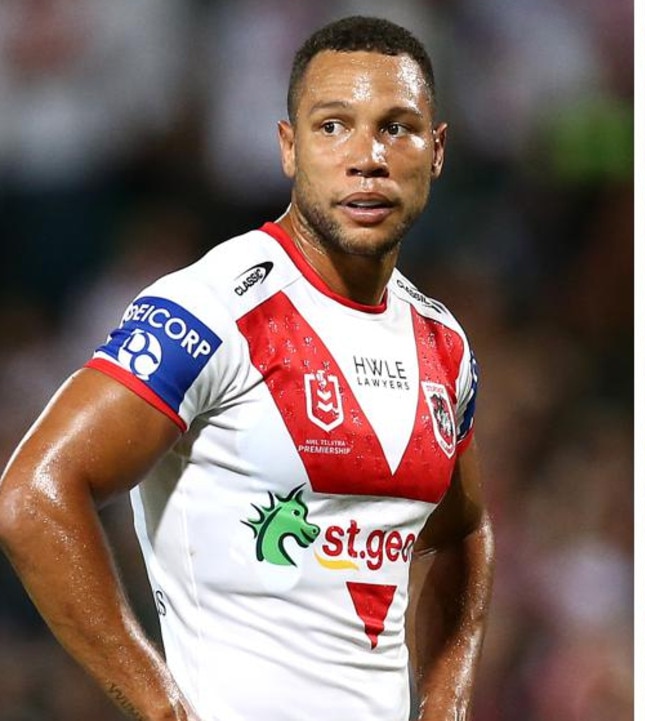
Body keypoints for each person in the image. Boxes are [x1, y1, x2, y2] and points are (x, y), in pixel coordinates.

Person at [0, 16, 493, 721]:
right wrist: (161, 705)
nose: (367, 156)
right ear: (288, 148)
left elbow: (464, 532)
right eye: (332, 126)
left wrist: (446, 698)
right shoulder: (208, 309)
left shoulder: (443, 342)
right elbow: (32, 497)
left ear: (436, 150)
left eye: (397, 127)